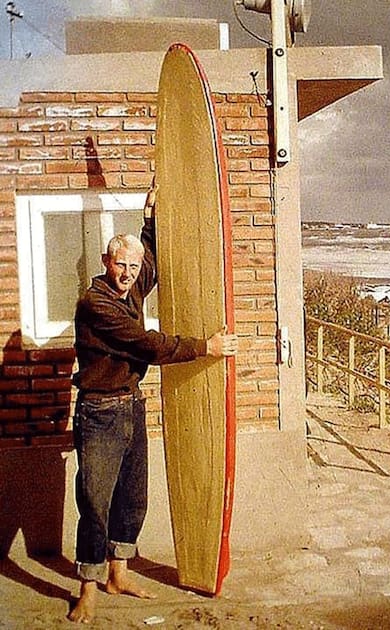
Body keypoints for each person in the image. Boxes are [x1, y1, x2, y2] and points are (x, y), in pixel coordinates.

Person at [68, 182, 238, 623]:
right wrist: (207, 347)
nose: (128, 273)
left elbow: (149, 259)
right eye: (120, 264)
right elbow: (145, 344)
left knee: (133, 499)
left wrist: (150, 219)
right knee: (95, 503)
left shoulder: (131, 288)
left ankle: (118, 574)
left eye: (132, 266)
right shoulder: (96, 305)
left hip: (130, 405)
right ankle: (88, 585)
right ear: (106, 263)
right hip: (99, 412)